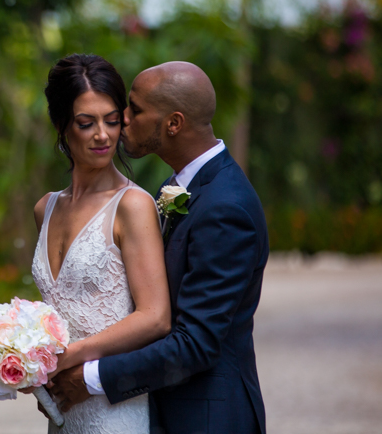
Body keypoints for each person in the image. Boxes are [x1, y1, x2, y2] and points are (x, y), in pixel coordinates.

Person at [46, 61, 269, 434]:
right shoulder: (178, 187)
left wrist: (89, 378)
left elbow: (195, 344)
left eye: (135, 109)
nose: (124, 119)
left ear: (173, 123)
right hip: (150, 410)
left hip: (205, 418)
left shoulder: (226, 208)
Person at [28, 53, 172, 433]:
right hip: (62, 410)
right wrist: (26, 357)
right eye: (86, 123)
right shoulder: (46, 208)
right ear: (61, 124)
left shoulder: (133, 205)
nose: (102, 135)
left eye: (111, 121)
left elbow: (155, 317)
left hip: (113, 409)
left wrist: (69, 359)